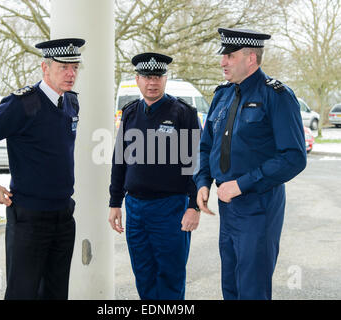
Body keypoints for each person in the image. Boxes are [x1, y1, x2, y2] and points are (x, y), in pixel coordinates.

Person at [0, 38, 85, 300]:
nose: (71, 73)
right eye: (64, 67)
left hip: (63, 214)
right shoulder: (24, 104)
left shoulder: (71, 103)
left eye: (75, 67)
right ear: (45, 68)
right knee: (23, 292)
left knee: (55, 291)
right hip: (30, 217)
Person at [193, 28, 307, 300]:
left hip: (259, 206)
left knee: (252, 289)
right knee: (230, 286)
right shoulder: (223, 95)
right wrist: (202, 182)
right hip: (227, 206)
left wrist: (242, 185)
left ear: (251, 58)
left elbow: (294, 157)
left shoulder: (277, 96)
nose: (223, 62)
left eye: (229, 56)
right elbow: (206, 145)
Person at [108, 52, 201, 300]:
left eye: (158, 76)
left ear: (165, 78)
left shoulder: (183, 113)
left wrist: (194, 206)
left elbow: (195, 165)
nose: (152, 82)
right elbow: (120, 160)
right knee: (144, 274)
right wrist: (115, 202)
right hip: (136, 209)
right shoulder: (129, 113)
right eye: (147, 77)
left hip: (170, 208)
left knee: (170, 276)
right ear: (137, 80)